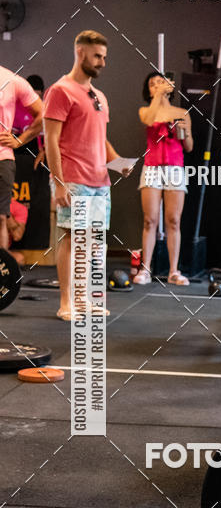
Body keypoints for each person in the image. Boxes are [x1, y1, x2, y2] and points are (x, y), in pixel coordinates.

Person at [44, 29, 125, 320]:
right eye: (97, 56)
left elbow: (100, 138)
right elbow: (51, 139)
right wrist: (59, 183)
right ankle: (66, 302)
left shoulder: (99, 95)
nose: (102, 62)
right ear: (81, 53)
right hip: (73, 178)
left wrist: (118, 163)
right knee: (72, 238)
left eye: (104, 57)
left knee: (92, 242)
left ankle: (83, 299)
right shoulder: (60, 90)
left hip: (100, 180)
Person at [134, 72, 193, 285]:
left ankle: (174, 271)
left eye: (160, 82)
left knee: (174, 221)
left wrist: (184, 132)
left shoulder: (181, 112)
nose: (157, 86)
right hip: (152, 167)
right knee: (150, 220)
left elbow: (189, 147)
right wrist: (158, 96)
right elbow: (149, 119)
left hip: (175, 168)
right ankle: (145, 269)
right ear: (148, 90)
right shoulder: (146, 111)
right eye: (152, 84)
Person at [0, 65, 43, 250]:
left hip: (2, 158)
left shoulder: (11, 79)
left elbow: (44, 114)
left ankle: (1, 275)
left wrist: (19, 141)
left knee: (0, 218)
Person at [6, 199, 28, 264]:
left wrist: (5, 212)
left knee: (19, 259)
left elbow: (17, 236)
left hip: (2, 250)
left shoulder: (19, 208)